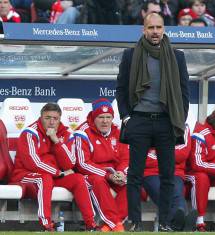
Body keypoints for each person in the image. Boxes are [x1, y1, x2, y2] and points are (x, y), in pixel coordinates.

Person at [116, 12, 189, 232]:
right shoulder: (130, 55)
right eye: (151, 28)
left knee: (168, 175)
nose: (155, 32)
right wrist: (127, 117)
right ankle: (135, 222)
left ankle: (165, 222)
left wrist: (180, 117)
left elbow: (184, 92)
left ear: (164, 29)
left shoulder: (177, 56)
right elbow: (121, 89)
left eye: (159, 27)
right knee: (135, 175)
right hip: (139, 120)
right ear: (143, 30)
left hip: (166, 122)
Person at [9, 103, 99, 231]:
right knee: (44, 178)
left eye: (55, 119)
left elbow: (70, 163)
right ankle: (46, 225)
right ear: (41, 118)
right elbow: (33, 163)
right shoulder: (29, 133)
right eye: (47, 118)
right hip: (24, 175)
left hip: (52, 176)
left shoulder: (66, 133)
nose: (51, 122)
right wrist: (59, 173)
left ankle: (91, 224)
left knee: (78, 179)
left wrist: (56, 141)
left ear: (60, 119)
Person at [74, 98, 129, 232]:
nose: (105, 121)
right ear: (93, 117)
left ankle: (108, 226)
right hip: (90, 175)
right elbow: (82, 164)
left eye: (108, 117)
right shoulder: (82, 132)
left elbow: (126, 158)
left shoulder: (119, 131)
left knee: (132, 183)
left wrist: (121, 172)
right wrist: (108, 175)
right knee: (98, 181)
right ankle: (115, 224)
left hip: (114, 174)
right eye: (101, 117)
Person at [143, 124, 197, 231]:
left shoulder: (183, 126)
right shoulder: (145, 123)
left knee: (176, 195)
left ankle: (172, 226)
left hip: (174, 172)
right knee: (170, 196)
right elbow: (140, 154)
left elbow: (182, 153)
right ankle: (181, 226)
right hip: (150, 172)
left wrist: (158, 152)